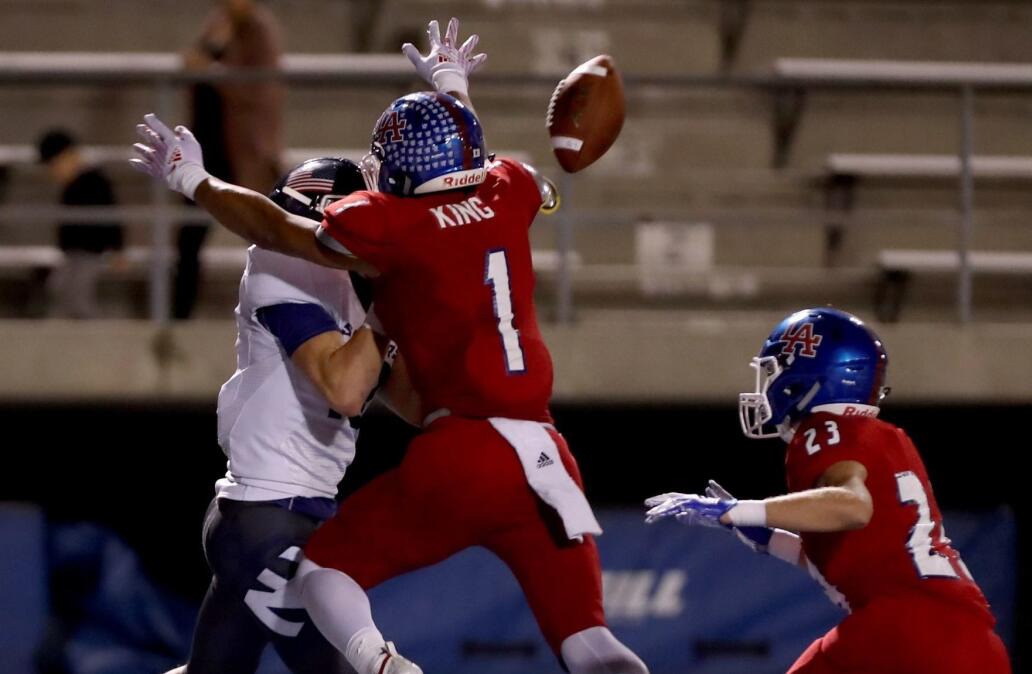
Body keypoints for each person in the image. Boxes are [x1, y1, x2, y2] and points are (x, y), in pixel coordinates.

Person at [131, 18, 647, 674]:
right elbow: (352, 379)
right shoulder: (506, 187)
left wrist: (198, 184)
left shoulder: (385, 240)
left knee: (257, 635)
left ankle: (376, 660)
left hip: (399, 472)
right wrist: (452, 90)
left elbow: (390, 384)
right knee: (576, 640)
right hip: (520, 461)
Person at [644, 308, 1011, 674]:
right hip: (975, 642)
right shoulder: (888, 438)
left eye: (775, 372)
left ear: (809, 376)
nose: (768, 385)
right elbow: (856, 559)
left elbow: (853, 506)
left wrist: (738, 510)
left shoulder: (822, 429)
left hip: (900, 630)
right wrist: (765, 536)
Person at [162, 158, 417, 674]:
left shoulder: (350, 292)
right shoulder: (284, 267)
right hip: (268, 519)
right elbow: (346, 390)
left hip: (289, 517)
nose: (290, 234)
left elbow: (412, 405)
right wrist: (394, 300)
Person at [177, 0, 284, 318]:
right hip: (207, 147)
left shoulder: (259, 31)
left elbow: (258, 90)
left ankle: (280, 310)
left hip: (241, 151)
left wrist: (211, 72)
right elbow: (194, 66)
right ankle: (178, 313)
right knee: (188, 236)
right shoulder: (218, 24)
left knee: (261, 236)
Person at [37, 129, 124, 318]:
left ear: (69, 156)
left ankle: (93, 334)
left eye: (54, 165)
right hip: (73, 251)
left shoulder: (96, 182)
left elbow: (111, 217)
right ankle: (63, 331)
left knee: (79, 294)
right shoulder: (72, 186)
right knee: (59, 287)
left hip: (90, 251)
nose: (53, 172)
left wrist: (116, 249)